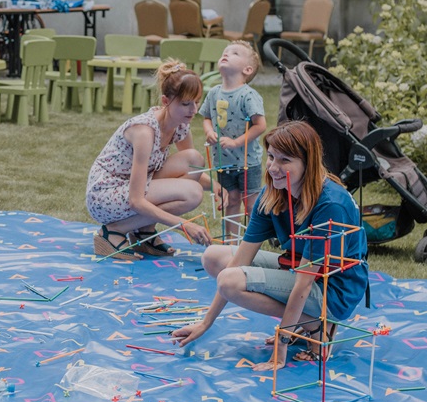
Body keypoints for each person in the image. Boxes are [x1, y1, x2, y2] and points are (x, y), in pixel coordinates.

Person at [170, 120, 369, 370]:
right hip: (299, 268)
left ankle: (317, 326)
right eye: (271, 157)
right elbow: (239, 261)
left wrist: (281, 346)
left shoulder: (331, 206)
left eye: (285, 160)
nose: (273, 167)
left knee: (230, 282)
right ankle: (308, 322)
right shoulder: (273, 194)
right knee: (213, 258)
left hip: (335, 289)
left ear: (308, 163)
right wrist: (205, 323)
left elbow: (303, 285)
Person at [86, 61, 214, 260]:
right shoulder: (144, 132)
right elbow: (135, 200)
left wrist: (220, 189)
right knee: (193, 193)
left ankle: (143, 232)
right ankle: (113, 232)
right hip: (106, 194)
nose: (194, 110)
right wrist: (184, 225)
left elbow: (192, 171)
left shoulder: (180, 123)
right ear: (165, 101)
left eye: (197, 102)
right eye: (186, 103)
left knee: (194, 159)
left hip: (132, 185)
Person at [200, 41, 267, 224]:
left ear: (247, 70)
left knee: (251, 204)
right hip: (223, 160)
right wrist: (209, 131)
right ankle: (231, 239)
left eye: (235, 53)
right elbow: (206, 117)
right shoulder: (213, 93)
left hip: (247, 161)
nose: (227, 54)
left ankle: (253, 238)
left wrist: (236, 142)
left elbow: (260, 125)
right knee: (230, 201)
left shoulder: (248, 95)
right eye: (225, 52)